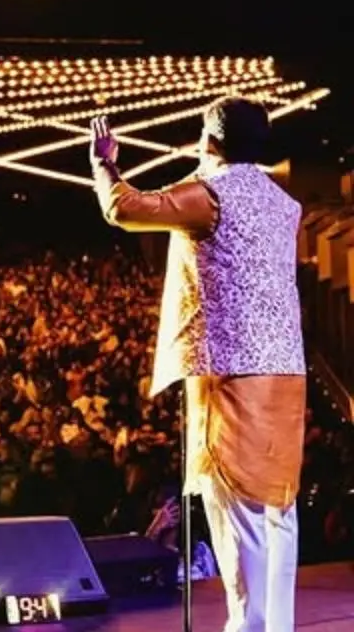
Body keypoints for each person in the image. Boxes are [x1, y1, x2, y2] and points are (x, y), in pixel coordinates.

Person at [89, 99, 306, 632]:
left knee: (238, 510)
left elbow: (125, 207)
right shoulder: (285, 204)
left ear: (210, 140)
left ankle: (249, 627)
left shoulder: (210, 194)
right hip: (286, 373)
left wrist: (104, 164)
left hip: (232, 374)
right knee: (278, 510)